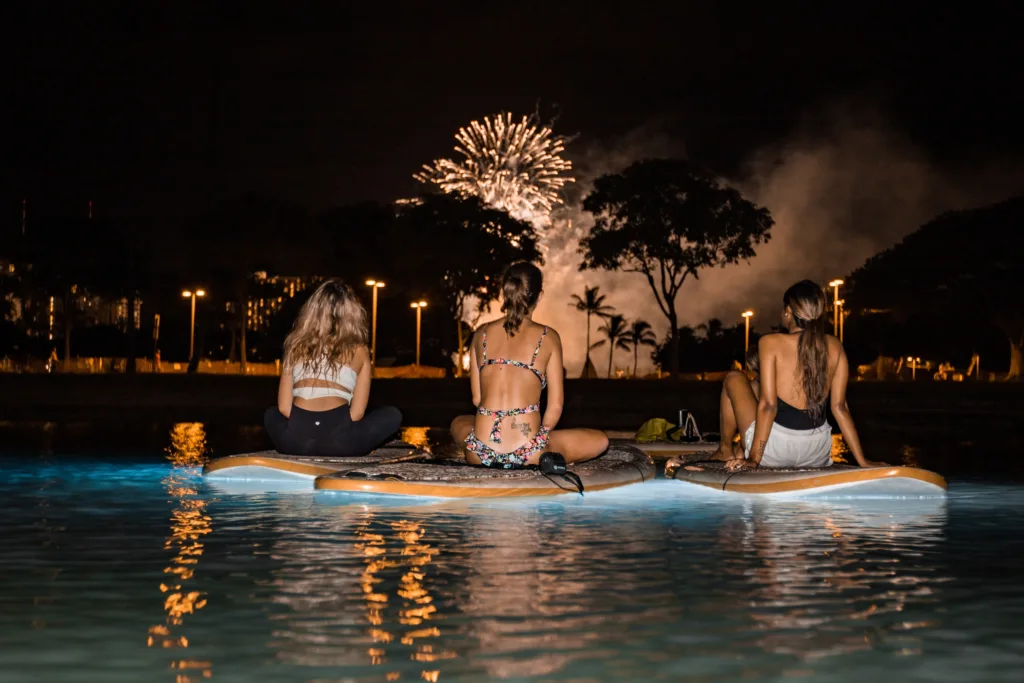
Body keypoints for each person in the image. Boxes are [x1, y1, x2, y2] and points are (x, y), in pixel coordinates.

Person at [450, 262, 608, 468]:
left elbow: (478, 398)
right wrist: (540, 439)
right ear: (539, 296)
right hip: (529, 453)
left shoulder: (481, 333)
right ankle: (541, 451)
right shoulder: (548, 337)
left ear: (504, 293)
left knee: (458, 423)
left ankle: (486, 450)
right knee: (600, 440)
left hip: (481, 452)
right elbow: (555, 407)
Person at [715, 280, 883, 470]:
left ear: (788, 311)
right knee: (754, 386)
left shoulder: (770, 342)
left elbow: (769, 406)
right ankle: (738, 449)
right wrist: (863, 461)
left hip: (775, 451)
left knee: (734, 378)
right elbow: (840, 407)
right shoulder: (835, 346)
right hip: (816, 453)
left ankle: (725, 449)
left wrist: (754, 459)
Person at [264, 278, 402, 456]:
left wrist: (307, 426)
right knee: (393, 414)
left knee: (270, 414)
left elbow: (283, 407)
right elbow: (357, 413)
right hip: (340, 443)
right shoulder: (360, 351)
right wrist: (333, 428)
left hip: (296, 443)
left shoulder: (295, 347)